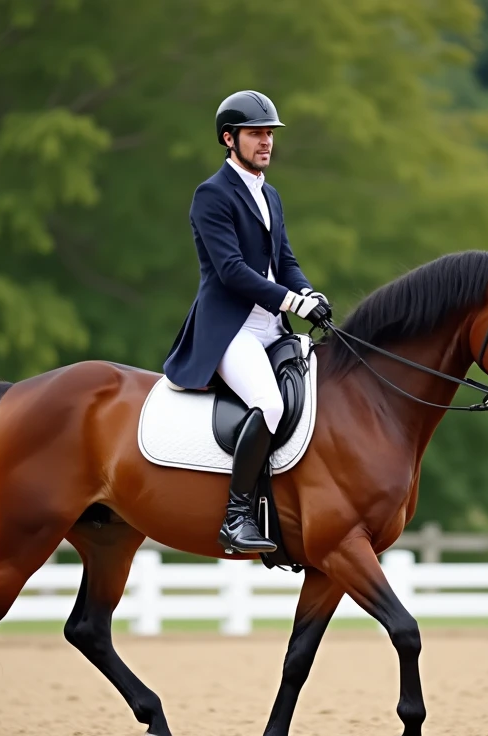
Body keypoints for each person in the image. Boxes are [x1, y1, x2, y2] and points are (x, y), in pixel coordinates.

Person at [163, 90, 332, 555]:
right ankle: (236, 516)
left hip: (272, 329)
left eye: (269, 134)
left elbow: (285, 261)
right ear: (229, 138)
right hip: (230, 331)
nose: (266, 142)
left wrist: (309, 292)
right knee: (270, 404)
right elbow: (232, 271)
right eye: (256, 134)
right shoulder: (211, 195)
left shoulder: (270, 195)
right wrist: (295, 303)